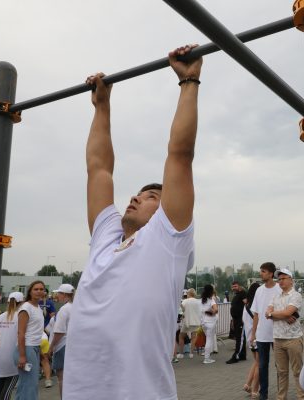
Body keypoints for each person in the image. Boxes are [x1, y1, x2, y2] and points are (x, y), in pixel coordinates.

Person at [63, 44, 202, 400]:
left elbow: (180, 155)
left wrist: (188, 82)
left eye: (151, 196)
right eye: (138, 194)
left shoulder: (166, 239)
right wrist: (102, 107)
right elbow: (99, 169)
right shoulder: (106, 237)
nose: (137, 197)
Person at [266, 268, 304, 400]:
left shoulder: (296, 296)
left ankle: (302, 397)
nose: (280, 281)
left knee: (298, 371)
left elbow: (287, 313)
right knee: (281, 372)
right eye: (279, 279)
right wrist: (280, 314)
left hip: (293, 339)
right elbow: (268, 313)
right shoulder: (276, 296)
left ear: (291, 280)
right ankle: (281, 397)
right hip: (277, 339)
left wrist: (274, 314)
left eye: (283, 278)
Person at [250, 262, 282, 400]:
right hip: (262, 335)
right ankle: (264, 394)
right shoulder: (259, 290)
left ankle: (282, 393)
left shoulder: (280, 289)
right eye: (260, 271)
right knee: (262, 366)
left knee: (280, 366)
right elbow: (256, 314)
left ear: (270, 273)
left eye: (263, 271)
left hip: (278, 333)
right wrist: (253, 334)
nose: (260, 273)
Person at [14, 280, 46, 400]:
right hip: (26, 349)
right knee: (31, 385)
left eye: (41, 289)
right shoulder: (26, 307)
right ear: (30, 291)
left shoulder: (37, 307)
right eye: (36, 289)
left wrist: (39, 351)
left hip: (33, 349)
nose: (39, 291)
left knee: (25, 385)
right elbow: (21, 333)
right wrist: (22, 356)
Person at [0, 291, 23, 400]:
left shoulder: (0, 317)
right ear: (22, 302)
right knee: (7, 391)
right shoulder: (20, 317)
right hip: (12, 358)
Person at [49, 283, 74, 398]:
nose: (57, 296)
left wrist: (51, 348)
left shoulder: (64, 309)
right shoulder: (76, 306)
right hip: (73, 344)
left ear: (64, 294)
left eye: (58, 293)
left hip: (62, 345)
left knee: (61, 378)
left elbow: (59, 332)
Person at [243, 282, 261, 398]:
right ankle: (255, 390)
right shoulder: (256, 307)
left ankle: (247, 385)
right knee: (260, 364)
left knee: (256, 362)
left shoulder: (246, 306)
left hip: (249, 338)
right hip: (257, 337)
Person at [227, 281, 247, 364]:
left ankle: (236, 356)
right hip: (235, 319)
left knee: (239, 338)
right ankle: (242, 355)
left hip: (240, 319)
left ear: (239, 286)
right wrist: (232, 320)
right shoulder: (236, 295)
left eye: (235, 286)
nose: (234, 288)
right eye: (233, 287)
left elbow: (247, 304)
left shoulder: (242, 293)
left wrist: (244, 317)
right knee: (240, 337)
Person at [38, 287, 55, 388]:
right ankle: (42, 371)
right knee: (40, 355)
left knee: (46, 354)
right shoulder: (35, 303)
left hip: (46, 330)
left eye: (44, 290)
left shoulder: (50, 303)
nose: (42, 292)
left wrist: (49, 328)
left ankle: (48, 371)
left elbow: (52, 316)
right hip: (38, 330)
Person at [180, 288, 202, 358]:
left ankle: (181, 354)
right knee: (193, 337)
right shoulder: (198, 301)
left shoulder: (185, 301)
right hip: (196, 322)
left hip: (187, 321)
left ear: (189, 294)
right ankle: (191, 353)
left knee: (181, 336)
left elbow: (182, 309)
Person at [200, 284, 218, 364]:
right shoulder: (211, 300)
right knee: (209, 340)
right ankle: (207, 358)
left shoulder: (201, 300)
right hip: (210, 322)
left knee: (207, 339)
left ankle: (207, 357)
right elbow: (216, 310)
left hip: (203, 323)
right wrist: (211, 312)